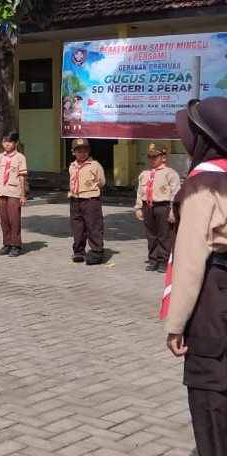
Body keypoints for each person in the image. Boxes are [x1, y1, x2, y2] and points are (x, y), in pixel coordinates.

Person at [163, 97, 227, 456]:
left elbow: (190, 259)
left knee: (210, 387)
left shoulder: (204, 183)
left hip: (214, 297)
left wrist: (176, 324)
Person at [134, 143, 180, 273]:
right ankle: (153, 259)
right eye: (149, 157)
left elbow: (176, 193)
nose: (151, 159)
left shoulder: (170, 173)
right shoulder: (144, 174)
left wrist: (173, 210)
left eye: (154, 157)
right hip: (148, 206)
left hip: (163, 207)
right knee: (151, 235)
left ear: (163, 157)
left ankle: (164, 260)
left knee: (164, 235)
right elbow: (140, 192)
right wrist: (138, 208)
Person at [68, 138, 106, 265]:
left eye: (85, 150)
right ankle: (79, 251)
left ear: (89, 151)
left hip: (90, 200)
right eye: (79, 151)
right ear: (73, 152)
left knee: (93, 226)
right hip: (75, 199)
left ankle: (97, 252)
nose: (82, 153)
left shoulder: (94, 165)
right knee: (77, 227)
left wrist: (91, 191)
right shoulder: (72, 166)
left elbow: (101, 182)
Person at [0, 131, 27, 257]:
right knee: (4, 219)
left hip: (14, 192)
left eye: (10, 142)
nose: (7, 144)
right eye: (5, 141)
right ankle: (6, 244)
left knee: (14, 219)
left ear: (16, 143)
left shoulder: (20, 158)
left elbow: (21, 177)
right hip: (2, 191)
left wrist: (23, 195)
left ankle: (16, 245)